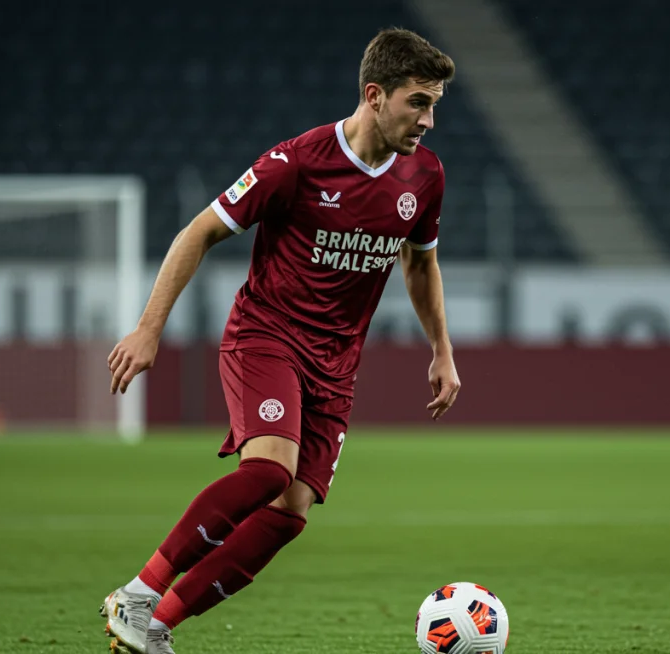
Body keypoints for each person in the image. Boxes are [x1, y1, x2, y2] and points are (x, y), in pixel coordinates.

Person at [99, 28, 459, 653]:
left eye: (434, 105)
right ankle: (138, 592)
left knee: (290, 513)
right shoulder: (298, 162)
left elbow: (421, 264)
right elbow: (198, 232)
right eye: (418, 103)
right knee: (268, 470)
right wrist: (149, 328)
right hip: (267, 337)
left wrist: (442, 350)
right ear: (375, 95)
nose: (429, 120)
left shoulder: (424, 176)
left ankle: (156, 629)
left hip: (336, 365)